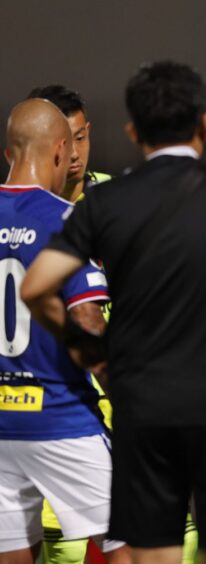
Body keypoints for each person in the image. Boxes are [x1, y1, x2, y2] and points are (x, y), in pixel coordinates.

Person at [20, 61, 206, 564]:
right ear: (204, 123)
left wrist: (91, 350)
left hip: (143, 401)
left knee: (156, 546)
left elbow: (37, 286)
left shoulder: (105, 202)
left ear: (132, 130)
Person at [0, 99, 128, 564]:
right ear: (59, 151)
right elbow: (89, 322)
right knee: (137, 547)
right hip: (60, 418)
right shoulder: (67, 221)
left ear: (9, 153)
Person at [26, 86, 110, 203]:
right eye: (63, 143)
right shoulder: (17, 208)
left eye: (80, 138)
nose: (74, 154)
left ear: (88, 131)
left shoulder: (115, 193)